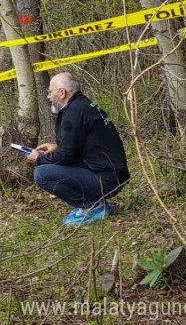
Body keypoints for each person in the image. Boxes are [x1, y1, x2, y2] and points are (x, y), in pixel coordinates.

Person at [26, 72, 130, 226]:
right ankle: (96, 204)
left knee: (41, 174)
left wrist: (39, 158)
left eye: (50, 92)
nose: (48, 97)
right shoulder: (83, 105)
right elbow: (82, 145)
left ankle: (93, 206)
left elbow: (66, 156)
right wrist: (55, 148)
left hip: (106, 180)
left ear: (62, 93)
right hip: (113, 174)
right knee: (49, 166)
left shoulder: (74, 112)